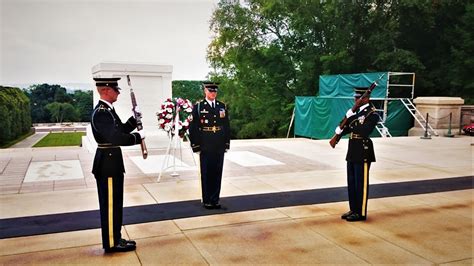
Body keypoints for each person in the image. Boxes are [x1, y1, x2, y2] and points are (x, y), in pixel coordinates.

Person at [91, 77, 145, 252]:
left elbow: (119, 129)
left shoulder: (107, 110)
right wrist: (138, 138)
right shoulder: (101, 112)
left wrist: (132, 121)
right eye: (115, 89)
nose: (118, 92)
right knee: (110, 205)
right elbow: (115, 138)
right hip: (107, 164)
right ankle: (112, 242)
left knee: (115, 203)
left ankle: (116, 238)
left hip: (111, 161)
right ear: (105, 90)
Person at [334, 87, 380, 222]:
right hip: (353, 150)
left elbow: (364, 130)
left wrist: (350, 119)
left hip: (363, 150)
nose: (355, 99)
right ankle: (353, 209)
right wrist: (339, 131)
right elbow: (346, 126)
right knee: (352, 182)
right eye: (355, 97)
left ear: (366, 98)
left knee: (361, 183)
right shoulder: (356, 112)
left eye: (357, 97)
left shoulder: (372, 113)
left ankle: (361, 213)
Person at [189, 81, 230, 209]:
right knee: (206, 172)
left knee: (217, 171)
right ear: (205, 91)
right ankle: (207, 199)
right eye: (210, 91)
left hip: (218, 142)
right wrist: (195, 144)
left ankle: (215, 199)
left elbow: (226, 126)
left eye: (215, 91)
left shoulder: (222, 106)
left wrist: (226, 143)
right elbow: (194, 126)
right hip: (205, 142)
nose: (213, 93)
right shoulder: (199, 107)